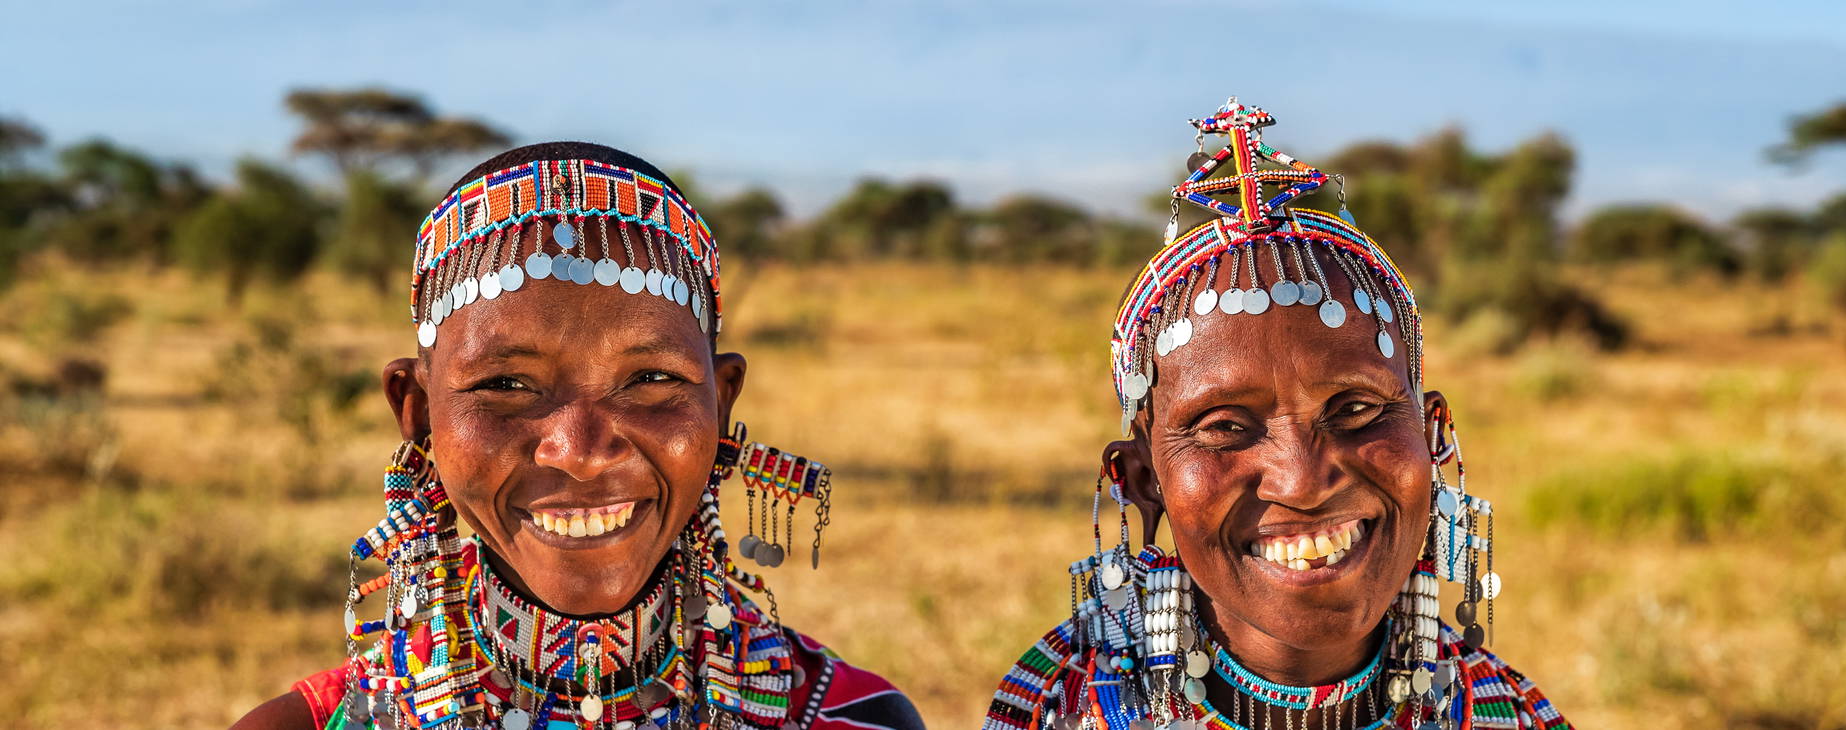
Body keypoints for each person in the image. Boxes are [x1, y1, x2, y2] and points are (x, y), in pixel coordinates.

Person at [236, 142, 924, 730]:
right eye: (506, 385)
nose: (583, 448)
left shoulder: (852, 717)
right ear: (415, 411)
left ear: (722, 406)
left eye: (650, 377)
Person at [983, 99, 1571, 730]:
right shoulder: (1064, 706)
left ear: (1434, 439)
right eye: (1225, 428)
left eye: (1356, 410)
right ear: (1143, 479)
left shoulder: (1505, 712)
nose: (1302, 481)